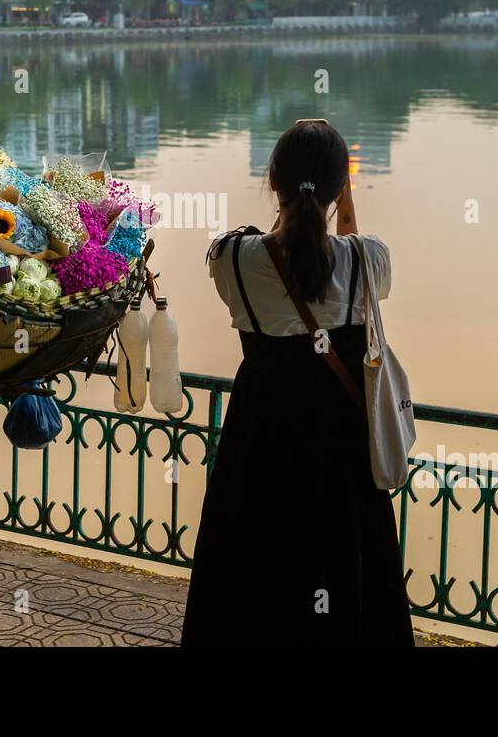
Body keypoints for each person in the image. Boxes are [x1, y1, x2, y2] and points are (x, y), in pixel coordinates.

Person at [181, 120, 415, 646]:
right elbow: (355, 255)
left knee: (253, 574)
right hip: (341, 450)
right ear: (338, 188)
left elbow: (261, 259)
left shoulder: (233, 260)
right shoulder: (364, 261)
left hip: (260, 444)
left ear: (273, 181)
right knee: (343, 571)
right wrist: (344, 197)